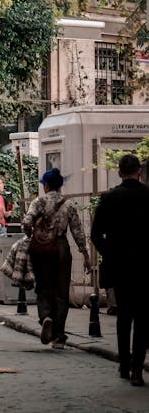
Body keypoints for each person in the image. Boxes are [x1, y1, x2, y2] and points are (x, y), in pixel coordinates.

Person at [91, 153, 149, 386]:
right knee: (144, 317)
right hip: (145, 265)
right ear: (139, 172)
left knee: (124, 315)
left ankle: (124, 365)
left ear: (119, 172)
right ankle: (137, 370)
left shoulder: (109, 198)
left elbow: (96, 234)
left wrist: (110, 252)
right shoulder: (148, 196)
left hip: (120, 265)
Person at [22, 167, 91, 350]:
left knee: (43, 287)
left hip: (41, 249)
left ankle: (46, 316)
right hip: (61, 249)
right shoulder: (68, 205)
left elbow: (26, 223)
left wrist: (34, 234)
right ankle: (59, 337)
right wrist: (85, 255)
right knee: (61, 293)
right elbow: (77, 231)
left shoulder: (38, 202)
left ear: (46, 185)